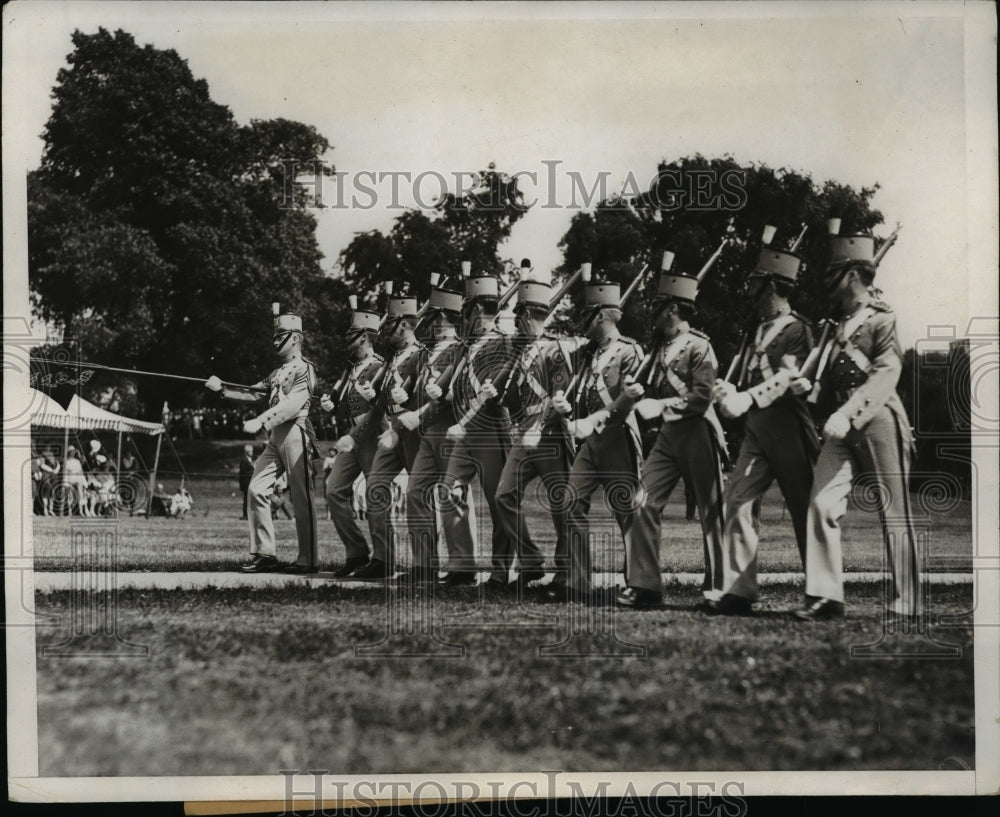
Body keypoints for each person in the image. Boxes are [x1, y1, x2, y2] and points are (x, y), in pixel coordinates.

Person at [791, 233, 920, 621]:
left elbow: (885, 373)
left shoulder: (882, 318)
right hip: (840, 424)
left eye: (833, 271)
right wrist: (808, 387)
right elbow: (828, 377)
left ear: (850, 275)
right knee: (821, 502)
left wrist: (848, 412)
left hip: (878, 419)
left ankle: (908, 599)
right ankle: (826, 596)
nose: (826, 279)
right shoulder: (834, 325)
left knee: (893, 512)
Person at [706, 245, 820, 615]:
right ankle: (739, 590)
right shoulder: (755, 330)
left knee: (805, 510)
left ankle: (821, 592)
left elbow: (792, 377)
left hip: (788, 427)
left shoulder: (798, 329)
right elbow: (743, 377)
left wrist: (747, 399)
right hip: (757, 430)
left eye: (756, 280)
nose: (749, 286)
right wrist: (727, 392)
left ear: (770, 284)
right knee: (737, 500)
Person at [618, 266, 728, 609]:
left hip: (697, 430)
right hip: (669, 436)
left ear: (672, 309)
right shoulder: (659, 349)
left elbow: (701, 397)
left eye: (658, 305)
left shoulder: (699, 347)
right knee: (641, 501)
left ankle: (720, 587)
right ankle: (645, 585)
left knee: (712, 512)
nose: (653, 312)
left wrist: (659, 405)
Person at [547, 275, 644, 603]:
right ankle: (578, 582)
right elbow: (575, 389)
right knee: (572, 501)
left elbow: (628, 400)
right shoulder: (588, 354)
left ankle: (638, 582)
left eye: (587, 315)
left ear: (601, 316)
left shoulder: (630, 351)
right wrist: (562, 404)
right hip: (591, 443)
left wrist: (591, 421)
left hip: (618, 437)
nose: (581, 323)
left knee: (627, 510)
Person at [205, 305, 321, 573]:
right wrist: (222, 388)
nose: (275, 340)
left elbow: (294, 403)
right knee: (256, 489)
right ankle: (264, 554)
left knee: (302, 498)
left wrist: (262, 420)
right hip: (275, 437)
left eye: (280, 334)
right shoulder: (276, 373)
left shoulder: (305, 369)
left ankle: (308, 559)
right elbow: (252, 392)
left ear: (295, 338)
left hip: (296, 432)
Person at [496, 266, 576, 589]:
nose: (515, 323)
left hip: (551, 433)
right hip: (523, 435)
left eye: (518, 317)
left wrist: (539, 426)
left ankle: (567, 570)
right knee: (503, 495)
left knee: (561, 502)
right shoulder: (520, 351)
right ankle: (530, 561)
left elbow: (560, 397)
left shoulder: (555, 351)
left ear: (528, 314)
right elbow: (512, 396)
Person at [438, 267, 517, 589]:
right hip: (464, 431)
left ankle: (501, 572)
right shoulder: (464, 346)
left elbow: (495, 392)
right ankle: (462, 565)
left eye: (466, 311)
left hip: (491, 430)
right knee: (448, 493)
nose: (462, 318)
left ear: (473, 310)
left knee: (498, 503)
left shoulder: (503, 344)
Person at [350, 286, 426, 580]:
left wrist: (409, 402)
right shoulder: (394, 357)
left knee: (420, 497)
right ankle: (383, 557)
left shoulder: (421, 354)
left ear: (404, 324)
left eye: (391, 325)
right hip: (391, 431)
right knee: (375, 486)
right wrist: (373, 398)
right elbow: (384, 398)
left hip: (412, 431)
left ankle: (424, 563)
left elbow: (431, 396)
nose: (385, 332)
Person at [396, 277, 466, 584]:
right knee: (416, 493)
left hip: (450, 428)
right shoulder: (424, 352)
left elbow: (455, 392)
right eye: (435, 319)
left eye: (444, 319)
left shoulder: (460, 351)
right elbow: (407, 383)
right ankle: (425, 564)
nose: (438, 324)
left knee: (454, 498)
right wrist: (400, 396)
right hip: (425, 432)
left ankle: (462, 565)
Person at [320, 299, 385, 577]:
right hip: (351, 436)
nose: (347, 337)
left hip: (373, 435)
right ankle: (357, 552)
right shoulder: (351, 368)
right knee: (334, 490)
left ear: (363, 337)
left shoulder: (380, 365)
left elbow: (383, 405)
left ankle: (384, 558)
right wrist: (330, 403)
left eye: (352, 333)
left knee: (376, 495)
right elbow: (343, 399)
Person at [62, 446, 87, 516]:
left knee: (80, 494)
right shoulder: (66, 462)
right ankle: (70, 511)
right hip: (70, 478)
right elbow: (65, 473)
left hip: (78, 478)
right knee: (70, 495)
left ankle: (81, 511)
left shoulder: (77, 461)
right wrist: (65, 482)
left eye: (73, 452)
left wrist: (84, 481)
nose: (72, 453)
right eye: (71, 452)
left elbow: (80, 472)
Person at [39, 448, 61, 516]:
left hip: (53, 476)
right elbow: (42, 465)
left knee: (52, 492)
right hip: (46, 475)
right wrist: (52, 470)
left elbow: (57, 464)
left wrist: (56, 469)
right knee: (46, 493)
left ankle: (50, 509)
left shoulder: (52, 455)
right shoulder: (42, 455)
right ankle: (45, 509)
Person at [238, 444, 255, 520]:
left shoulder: (251, 460)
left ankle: (250, 513)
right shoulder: (243, 460)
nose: (252, 453)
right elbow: (243, 472)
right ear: (247, 452)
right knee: (246, 499)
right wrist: (253, 472)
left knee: (250, 499)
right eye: (251, 451)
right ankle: (245, 515)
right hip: (246, 482)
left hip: (251, 482)